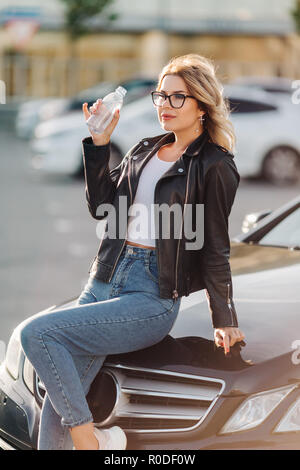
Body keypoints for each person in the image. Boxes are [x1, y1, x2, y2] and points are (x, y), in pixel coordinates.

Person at [19, 53, 245, 450]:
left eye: (178, 98)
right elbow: (102, 207)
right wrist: (100, 144)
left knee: (35, 333)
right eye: (161, 96)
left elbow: (214, 246)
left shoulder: (214, 165)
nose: (165, 106)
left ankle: (90, 440)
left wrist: (223, 316)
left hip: (151, 294)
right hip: (104, 279)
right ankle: (89, 436)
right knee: (60, 396)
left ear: (202, 105)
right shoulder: (143, 151)